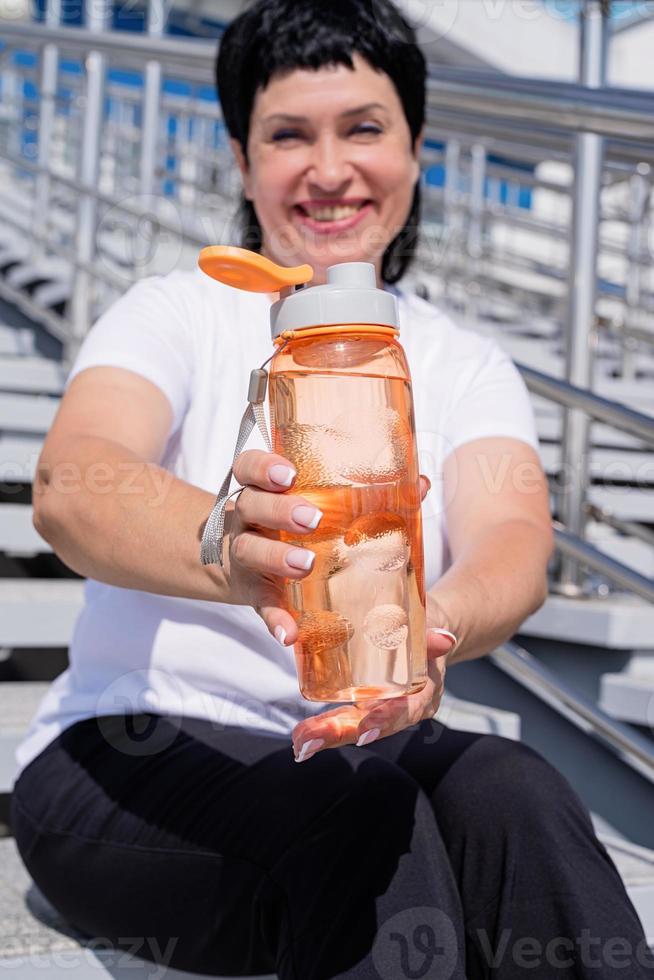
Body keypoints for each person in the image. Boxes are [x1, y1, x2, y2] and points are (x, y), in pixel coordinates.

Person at [10, 1, 653, 978]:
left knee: (512, 785)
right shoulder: (177, 312)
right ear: (240, 161)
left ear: (415, 146)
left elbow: (513, 535)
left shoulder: (462, 360)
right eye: (286, 135)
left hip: (356, 740)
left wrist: (437, 621)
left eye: (363, 127)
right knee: (358, 815)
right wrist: (226, 540)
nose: (327, 168)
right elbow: (73, 483)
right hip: (126, 744)